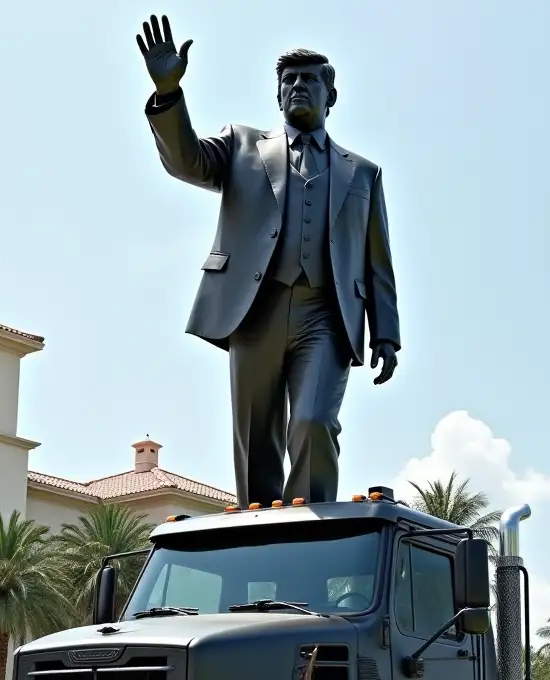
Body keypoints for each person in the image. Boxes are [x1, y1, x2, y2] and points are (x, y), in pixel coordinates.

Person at [137, 14, 401, 507]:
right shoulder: (241, 145)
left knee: (314, 421)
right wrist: (169, 95)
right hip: (253, 308)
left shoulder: (363, 173)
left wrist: (385, 332)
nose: (299, 86)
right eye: (289, 81)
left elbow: (377, 260)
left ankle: (309, 529)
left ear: (331, 96)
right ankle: (261, 531)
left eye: (310, 80)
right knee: (256, 435)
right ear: (278, 95)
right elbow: (187, 160)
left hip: (327, 314)